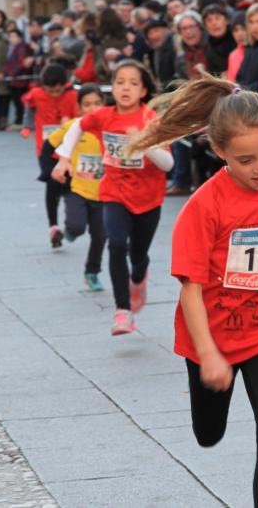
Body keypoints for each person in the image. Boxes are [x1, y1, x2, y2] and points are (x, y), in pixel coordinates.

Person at [127, 73, 258, 508]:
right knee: (209, 434)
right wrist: (208, 354)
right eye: (247, 160)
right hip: (212, 335)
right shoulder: (202, 207)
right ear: (220, 150)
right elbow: (190, 291)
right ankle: (206, 400)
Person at [52, 60, 173, 335]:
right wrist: (63, 159)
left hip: (148, 198)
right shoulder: (104, 115)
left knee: (138, 254)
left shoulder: (152, 120)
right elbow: (77, 126)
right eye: (120, 82)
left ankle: (139, 278)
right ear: (113, 87)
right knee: (116, 244)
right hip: (114, 193)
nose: (125, 88)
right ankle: (123, 312)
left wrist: (145, 143)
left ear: (143, 91)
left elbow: (168, 165)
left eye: (133, 83)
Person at [48, 84, 107, 291]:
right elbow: (50, 143)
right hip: (77, 188)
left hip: (103, 192)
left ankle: (92, 272)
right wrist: (59, 164)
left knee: (100, 235)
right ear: (80, 107)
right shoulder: (74, 126)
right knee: (77, 226)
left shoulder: (111, 128)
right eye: (87, 104)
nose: (93, 108)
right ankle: (70, 231)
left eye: (98, 103)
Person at [21, 64, 80, 248]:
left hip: (69, 149)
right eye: (51, 90)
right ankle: (53, 226)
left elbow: (81, 118)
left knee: (69, 185)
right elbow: (29, 109)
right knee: (52, 182)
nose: (55, 93)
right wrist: (26, 126)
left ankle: (72, 223)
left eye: (58, 90)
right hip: (45, 149)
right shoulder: (37, 94)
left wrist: (68, 122)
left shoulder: (72, 96)